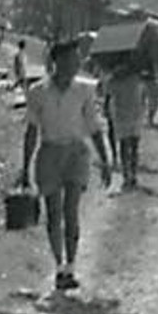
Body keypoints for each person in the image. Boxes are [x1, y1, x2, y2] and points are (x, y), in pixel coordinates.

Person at [19, 38, 112, 291]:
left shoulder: (84, 90)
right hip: (49, 151)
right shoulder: (38, 92)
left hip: (76, 153)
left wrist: (105, 160)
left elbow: (94, 127)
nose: (75, 64)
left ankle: (70, 266)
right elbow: (31, 131)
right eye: (70, 60)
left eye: (77, 60)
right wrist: (24, 167)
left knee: (71, 211)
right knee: (53, 213)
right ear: (57, 62)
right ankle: (58, 265)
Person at [103, 60, 147, 190]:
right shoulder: (114, 79)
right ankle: (127, 174)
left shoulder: (135, 77)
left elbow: (143, 93)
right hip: (122, 115)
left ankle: (132, 174)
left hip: (134, 114)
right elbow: (108, 96)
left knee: (133, 146)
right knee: (125, 145)